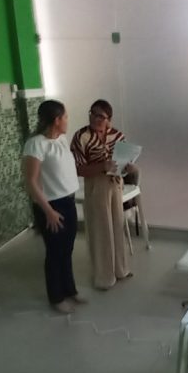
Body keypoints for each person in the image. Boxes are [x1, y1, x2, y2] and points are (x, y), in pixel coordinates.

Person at [22, 100, 84, 314]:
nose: (67, 120)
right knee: (55, 252)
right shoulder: (36, 144)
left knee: (67, 249)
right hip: (51, 206)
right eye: (65, 117)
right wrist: (48, 211)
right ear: (56, 120)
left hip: (68, 201)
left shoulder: (62, 139)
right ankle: (56, 297)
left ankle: (70, 290)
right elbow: (30, 181)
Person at [71, 99, 132, 290]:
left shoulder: (117, 135)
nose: (96, 118)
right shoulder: (81, 136)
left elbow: (123, 162)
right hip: (95, 185)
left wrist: (127, 166)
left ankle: (120, 270)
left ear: (109, 119)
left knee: (117, 226)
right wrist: (101, 167)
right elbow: (78, 169)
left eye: (101, 116)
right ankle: (103, 277)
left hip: (115, 184)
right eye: (93, 113)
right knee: (100, 230)